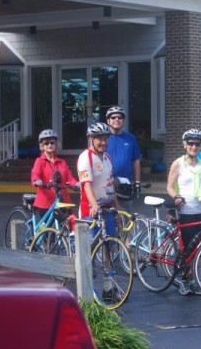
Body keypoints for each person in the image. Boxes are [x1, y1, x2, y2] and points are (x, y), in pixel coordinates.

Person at [166, 129, 201, 296]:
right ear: (184, 144)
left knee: (199, 250)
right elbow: (170, 186)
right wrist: (176, 196)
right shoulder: (178, 163)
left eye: (197, 144)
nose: (194, 146)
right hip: (186, 211)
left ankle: (194, 280)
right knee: (187, 249)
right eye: (191, 143)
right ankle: (185, 281)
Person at [77, 122, 118, 302]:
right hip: (90, 210)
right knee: (91, 249)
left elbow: (111, 185)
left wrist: (116, 208)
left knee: (109, 246)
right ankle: (87, 288)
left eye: (105, 138)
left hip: (107, 208)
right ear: (91, 139)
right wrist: (94, 205)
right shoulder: (86, 157)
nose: (103, 142)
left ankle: (108, 288)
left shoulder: (107, 157)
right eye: (99, 138)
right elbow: (86, 184)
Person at [31, 129, 78, 224]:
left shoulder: (62, 162)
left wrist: (76, 183)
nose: (49, 145)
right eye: (46, 143)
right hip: (45, 203)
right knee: (49, 233)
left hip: (62, 200)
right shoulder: (40, 161)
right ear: (42, 146)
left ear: (55, 144)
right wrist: (37, 180)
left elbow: (70, 178)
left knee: (70, 228)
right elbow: (35, 174)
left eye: (52, 142)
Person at [105, 106, 142, 210]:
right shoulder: (103, 138)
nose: (116, 119)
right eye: (113, 117)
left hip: (125, 184)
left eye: (119, 117)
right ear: (108, 120)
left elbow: (136, 161)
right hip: (106, 183)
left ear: (123, 120)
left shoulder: (130, 138)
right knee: (107, 216)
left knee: (126, 216)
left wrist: (137, 182)